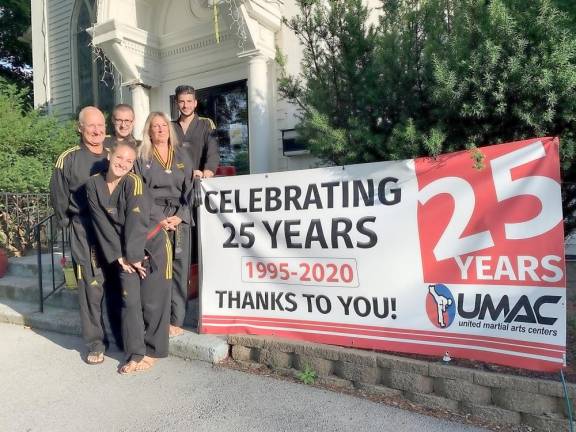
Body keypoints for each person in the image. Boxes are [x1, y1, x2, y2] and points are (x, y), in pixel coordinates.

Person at [86, 140, 171, 374]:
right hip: (125, 251)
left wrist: (133, 256)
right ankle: (135, 353)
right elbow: (101, 223)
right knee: (129, 300)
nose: (123, 163)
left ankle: (153, 351)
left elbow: (137, 221)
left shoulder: (133, 183)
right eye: (119, 157)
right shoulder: (93, 185)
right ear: (109, 155)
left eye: (129, 161)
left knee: (152, 301)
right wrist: (118, 257)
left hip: (151, 244)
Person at [50, 106, 121, 365]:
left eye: (101, 125)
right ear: (80, 128)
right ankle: (95, 343)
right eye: (91, 125)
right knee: (91, 286)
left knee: (117, 283)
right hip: (85, 230)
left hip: (115, 230)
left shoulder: (115, 155)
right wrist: (67, 222)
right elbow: (58, 196)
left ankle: (121, 336)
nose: (97, 130)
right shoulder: (68, 158)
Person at [134, 112, 195, 338]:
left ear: (169, 130)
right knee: (158, 269)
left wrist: (181, 215)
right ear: (149, 131)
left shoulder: (182, 155)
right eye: (155, 126)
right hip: (154, 219)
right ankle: (157, 320)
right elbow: (139, 190)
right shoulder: (142, 157)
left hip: (179, 218)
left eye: (163, 126)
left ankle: (176, 320)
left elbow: (191, 189)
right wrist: (158, 216)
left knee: (179, 269)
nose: (160, 129)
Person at [172, 85, 219, 179]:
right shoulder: (170, 127)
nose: (185, 105)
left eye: (189, 101)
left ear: (195, 103)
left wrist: (208, 170)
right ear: (177, 104)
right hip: (175, 183)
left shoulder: (206, 124)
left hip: (200, 180)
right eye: (182, 102)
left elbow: (213, 151)